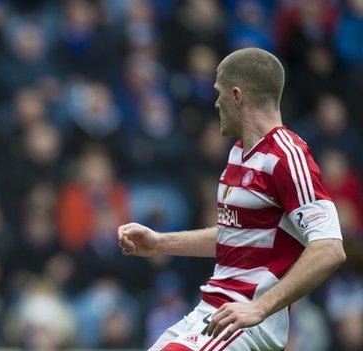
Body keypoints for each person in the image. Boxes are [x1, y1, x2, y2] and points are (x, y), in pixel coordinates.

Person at [117, 48, 346, 351]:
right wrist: (160, 243)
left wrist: (260, 308)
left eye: (219, 93)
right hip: (210, 312)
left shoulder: (287, 157)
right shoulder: (239, 151)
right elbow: (237, 236)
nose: (215, 102)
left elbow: (329, 247)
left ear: (237, 95)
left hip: (245, 322)